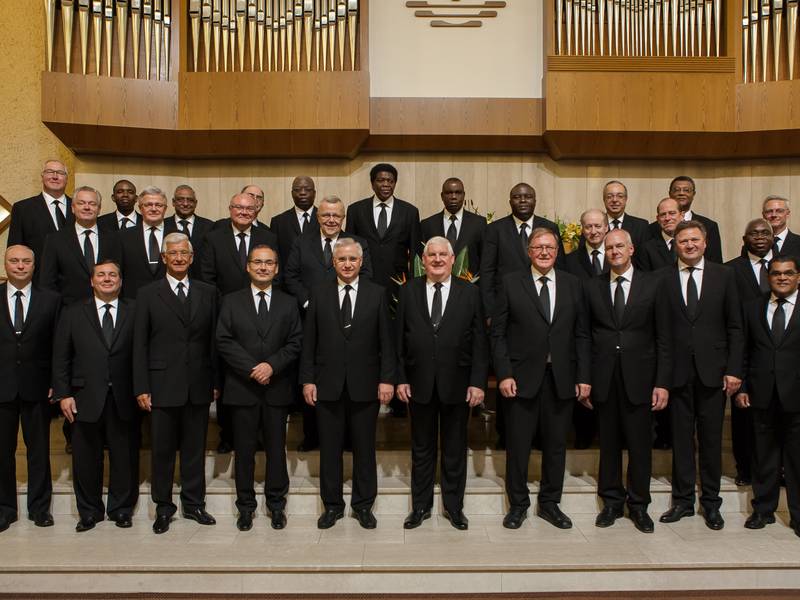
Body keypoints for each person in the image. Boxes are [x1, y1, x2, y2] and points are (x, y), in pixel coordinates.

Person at [491, 228, 591, 530]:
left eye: (549, 247)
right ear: (529, 251)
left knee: (556, 445)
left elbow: (582, 334)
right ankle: (518, 505)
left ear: (557, 251)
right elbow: (498, 334)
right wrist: (504, 373)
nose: (544, 252)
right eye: (538, 247)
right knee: (518, 445)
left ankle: (550, 504)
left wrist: (583, 376)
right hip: (521, 379)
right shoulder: (510, 283)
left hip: (561, 378)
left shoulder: (574, 284)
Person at [300, 238, 395, 530]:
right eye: (342, 259)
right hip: (327, 384)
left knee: (365, 449)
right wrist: (307, 380)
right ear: (333, 261)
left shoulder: (377, 293)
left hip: (365, 384)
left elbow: (386, 342)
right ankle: (332, 506)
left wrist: (387, 379)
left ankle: (363, 506)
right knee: (330, 450)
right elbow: (309, 342)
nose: (347, 264)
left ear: (361, 261)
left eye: (353, 259)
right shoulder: (318, 293)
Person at [396, 237, 488, 531]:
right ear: (423, 261)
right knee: (421, 449)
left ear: (452, 260)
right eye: (431, 255)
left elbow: (480, 344)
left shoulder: (470, 293)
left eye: (442, 255)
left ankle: (454, 507)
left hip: (458, 385)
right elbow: (398, 339)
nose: (437, 259)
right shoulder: (409, 291)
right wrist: (399, 378)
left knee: (454, 448)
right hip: (418, 383)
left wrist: (477, 383)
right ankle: (420, 507)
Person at [583, 229, 671, 533]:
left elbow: (664, 336)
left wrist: (662, 382)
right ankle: (611, 503)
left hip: (642, 378)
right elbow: (585, 336)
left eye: (620, 246)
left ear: (631, 249)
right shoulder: (592, 286)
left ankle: (639, 505)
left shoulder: (653, 284)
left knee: (639, 445)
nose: (614, 251)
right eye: (609, 248)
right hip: (604, 378)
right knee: (608, 445)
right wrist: (585, 379)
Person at [658, 220, 743, 530]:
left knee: (709, 441)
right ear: (675, 245)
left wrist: (734, 369)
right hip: (677, 374)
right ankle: (682, 501)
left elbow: (736, 326)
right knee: (681, 440)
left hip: (714, 373)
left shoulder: (725, 276)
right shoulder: (662, 278)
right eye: (683, 241)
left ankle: (711, 503)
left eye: (694, 240)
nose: (689, 245)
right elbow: (660, 332)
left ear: (705, 243)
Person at [133, 233, 220, 534]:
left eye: (185, 253)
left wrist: (215, 381)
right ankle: (164, 507)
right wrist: (141, 386)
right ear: (164, 257)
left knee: (195, 449)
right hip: (161, 385)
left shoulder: (208, 292)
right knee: (162, 450)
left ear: (192, 257)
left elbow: (213, 343)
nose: (180, 258)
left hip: (198, 383)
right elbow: (139, 345)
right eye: (174, 253)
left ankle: (194, 504)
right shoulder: (147, 294)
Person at [216, 244, 302, 531]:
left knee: (277, 451)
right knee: (244, 452)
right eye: (257, 262)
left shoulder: (289, 303)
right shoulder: (230, 301)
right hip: (242, 388)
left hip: (277, 388)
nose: (263, 267)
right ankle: (246, 507)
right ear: (248, 267)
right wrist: (253, 369)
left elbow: (295, 342)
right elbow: (224, 340)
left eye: (269, 263)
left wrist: (271, 366)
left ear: (277, 268)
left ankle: (277, 506)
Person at [52, 259, 138, 532]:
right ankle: (89, 512)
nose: (107, 279)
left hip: (125, 396)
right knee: (86, 459)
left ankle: (121, 509)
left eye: (113, 275)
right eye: (101, 275)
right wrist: (63, 393)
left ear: (121, 281)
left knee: (124, 457)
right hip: (84, 397)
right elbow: (61, 357)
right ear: (92, 281)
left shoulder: (134, 310)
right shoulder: (73, 312)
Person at [283, 195, 372, 453]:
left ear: (343, 218)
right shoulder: (302, 242)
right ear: (317, 217)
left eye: (336, 215)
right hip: (310, 322)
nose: (331, 220)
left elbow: (366, 276)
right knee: (315, 379)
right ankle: (312, 437)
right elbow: (290, 276)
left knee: (345, 383)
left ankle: (346, 439)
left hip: (348, 324)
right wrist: (310, 303)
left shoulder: (357, 243)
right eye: (325, 215)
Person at [480, 182, 564, 449]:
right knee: (511, 378)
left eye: (528, 196)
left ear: (535, 199)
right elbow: (488, 273)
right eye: (517, 196)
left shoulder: (549, 228)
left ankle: (539, 436)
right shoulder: (495, 229)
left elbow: (556, 271)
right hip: (508, 315)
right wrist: (491, 313)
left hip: (542, 314)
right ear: (510, 200)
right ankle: (507, 435)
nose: (523, 200)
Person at [736, 255, 800, 537]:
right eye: (776, 274)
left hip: (797, 396)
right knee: (764, 456)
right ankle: (763, 510)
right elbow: (744, 351)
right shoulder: (753, 307)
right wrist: (743, 387)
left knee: (797, 459)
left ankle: (798, 515)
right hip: (761, 394)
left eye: (788, 273)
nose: (782, 278)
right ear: (768, 277)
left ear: (798, 276)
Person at [0, 245, 61, 531]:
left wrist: (56, 382)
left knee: (39, 450)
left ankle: (39, 508)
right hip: (2, 388)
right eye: (14, 261)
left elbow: (58, 346)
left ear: (34, 266)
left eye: (26, 261)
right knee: (3, 451)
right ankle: (5, 509)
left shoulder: (51, 300)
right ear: (5, 264)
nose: (20, 266)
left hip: (38, 387)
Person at [725, 218, 775, 486]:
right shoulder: (731, 270)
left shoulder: (784, 267)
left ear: (772, 237)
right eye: (753, 233)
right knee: (743, 418)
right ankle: (744, 469)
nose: (759, 237)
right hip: (744, 350)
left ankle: (776, 471)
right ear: (744, 240)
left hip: (779, 351)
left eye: (764, 233)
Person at [40, 186, 122, 305]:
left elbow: (121, 275)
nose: (87, 207)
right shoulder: (55, 240)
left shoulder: (114, 239)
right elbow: (47, 282)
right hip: (68, 310)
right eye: (81, 203)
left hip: (107, 309)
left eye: (92, 204)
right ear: (73, 208)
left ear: (99, 209)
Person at [7, 160, 73, 280]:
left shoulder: (79, 208)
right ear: (42, 177)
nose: (54, 176)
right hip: (38, 282)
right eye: (49, 172)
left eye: (60, 173)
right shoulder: (23, 208)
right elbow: (14, 249)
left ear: (67, 178)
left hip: (74, 283)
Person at [420, 178, 486, 276]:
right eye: (449, 193)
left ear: (464, 195)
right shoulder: (427, 224)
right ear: (442, 196)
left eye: (458, 192)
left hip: (469, 286)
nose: (453, 197)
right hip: (437, 285)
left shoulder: (479, 223)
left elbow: (485, 260)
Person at [119, 187, 177, 299]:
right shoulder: (123, 237)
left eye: (158, 205)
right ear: (140, 208)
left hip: (169, 300)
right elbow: (118, 272)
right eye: (148, 205)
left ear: (165, 209)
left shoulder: (178, 235)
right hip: (133, 300)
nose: (154, 209)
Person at [648, 176, 723, 263]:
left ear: (693, 194)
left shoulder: (709, 226)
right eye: (676, 190)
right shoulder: (652, 228)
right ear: (670, 193)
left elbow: (715, 262)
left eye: (686, 190)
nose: (681, 193)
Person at [166, 185, 214, 278]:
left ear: (196, 203)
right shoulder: (163, 225)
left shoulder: (210, 226)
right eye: (180, 199)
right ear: (173, 202)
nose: (185, 203)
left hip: (203, 282)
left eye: (190, 200)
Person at [270, 176, 319, 262]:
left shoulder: (326, 219)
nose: (302, 193)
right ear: (292, 193)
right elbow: (275, 256)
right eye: (297, 189)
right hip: (288, 274)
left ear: (314, 193)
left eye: (307, 189)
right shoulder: (278, 222)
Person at [602, 180, 651, 250]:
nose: (615, 200)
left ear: (626, 199)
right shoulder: (595, 226)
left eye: (620, 196)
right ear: (604, 199)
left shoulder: (641, 226)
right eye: (609, 196)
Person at [637, 198, 683, 272]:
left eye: (672, 213)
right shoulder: (646, 249)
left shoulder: (692, 244)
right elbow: (645, 280)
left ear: (681, 215)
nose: (667, 218)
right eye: (663, 215)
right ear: (658, 219)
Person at [565, 208, 610, 280]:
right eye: (588, 227)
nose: (593, 232)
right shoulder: (569, 261)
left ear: (606, 228)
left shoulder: (616, 255)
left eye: (598, 226)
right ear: (582, 230)